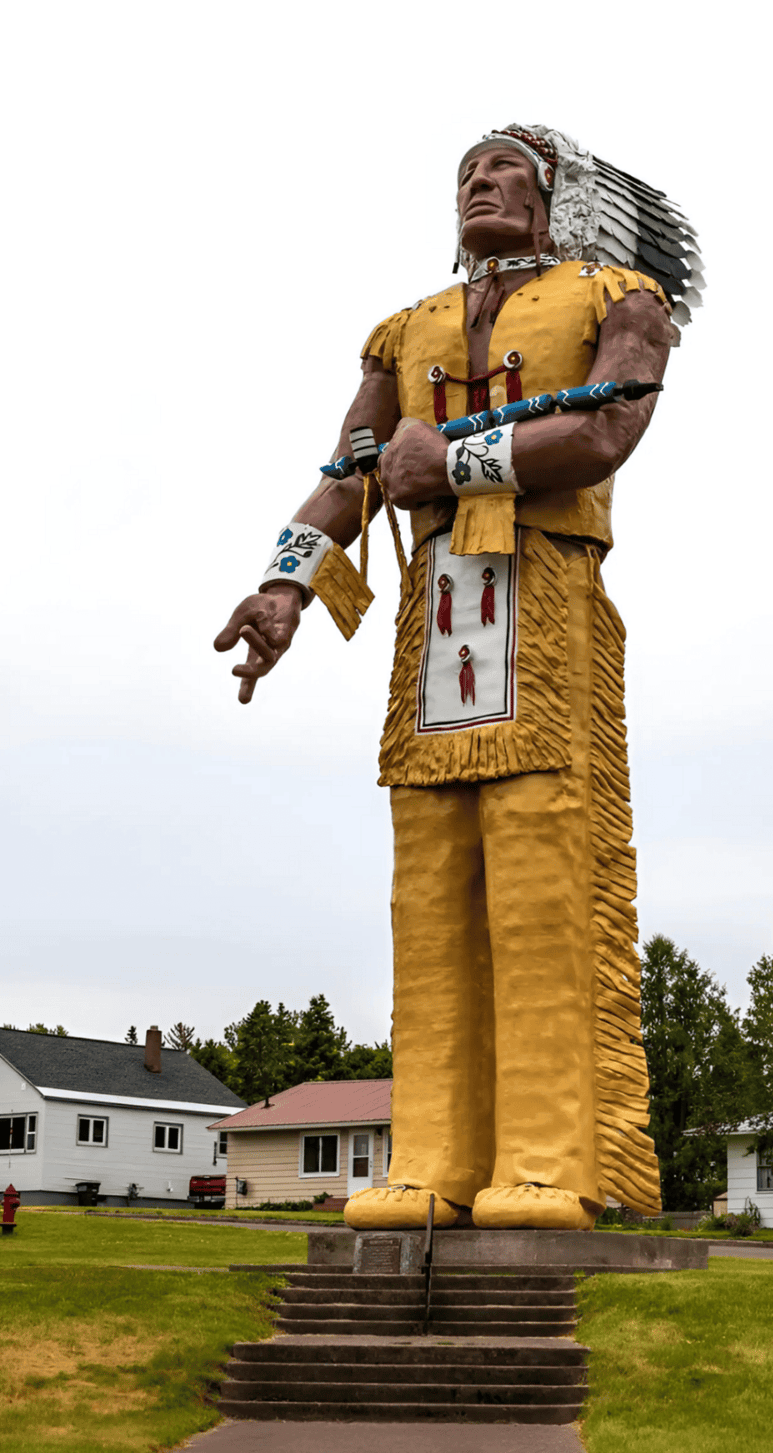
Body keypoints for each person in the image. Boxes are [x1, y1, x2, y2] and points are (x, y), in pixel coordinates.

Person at [215, 125, 702, 1231]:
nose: (479, 185)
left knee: (538, 877)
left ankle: (551, 1160)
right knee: (429, 891)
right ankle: (428, 1160)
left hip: (544, 603)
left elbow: (606, 429)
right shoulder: (407, 332)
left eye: (503, 172)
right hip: (435, 630)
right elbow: (347, 476)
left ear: (557, 196)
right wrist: (283, 588)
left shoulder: (620, 299)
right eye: (464, 175)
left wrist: (458, 459)